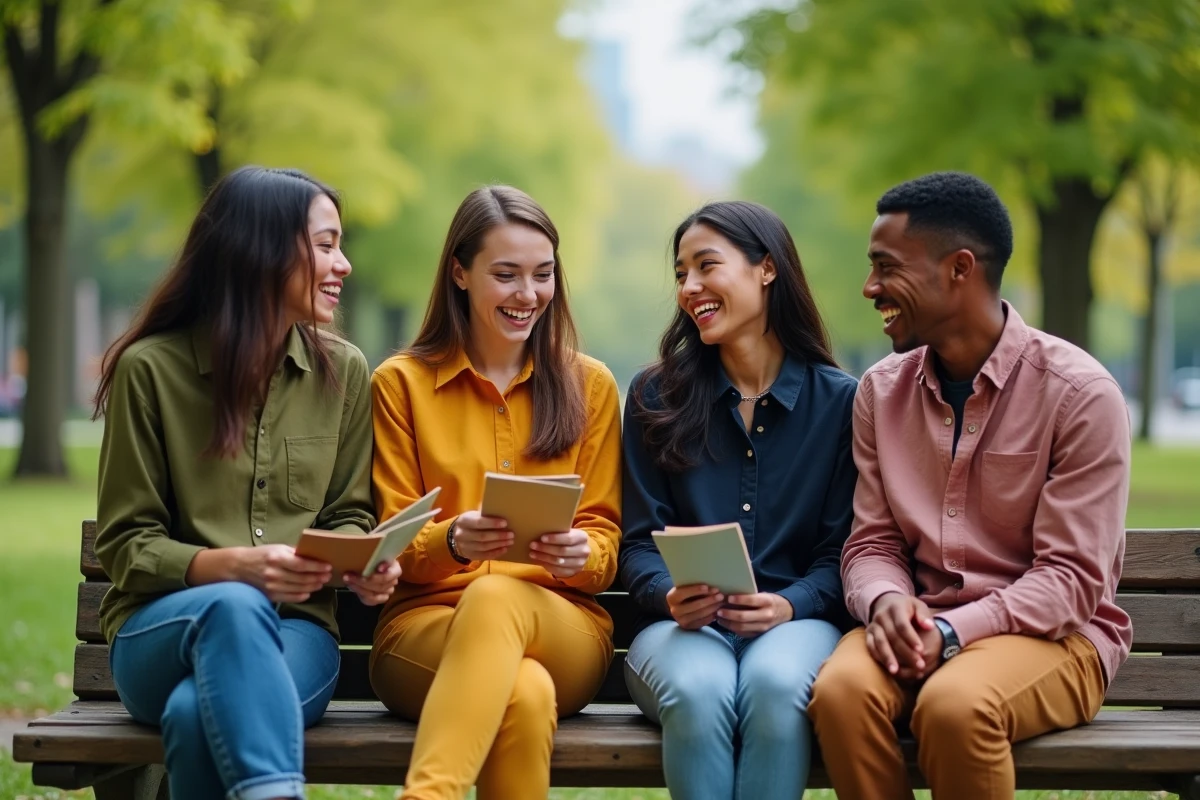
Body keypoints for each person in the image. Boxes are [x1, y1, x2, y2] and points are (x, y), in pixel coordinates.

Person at [808, 171, 1132, 799]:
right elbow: (872, 541)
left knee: (956, 705)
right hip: (920, 623)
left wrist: (954, 632)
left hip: (1055, 639)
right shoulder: (880, 390)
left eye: (885, 266)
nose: (870, 287)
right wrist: (886, 603)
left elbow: (1071, 580)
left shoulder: (1080, 394)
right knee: (841, 692)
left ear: (959, 268)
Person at [92, 166, 400, 800]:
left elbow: (348, 513)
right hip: (160, 630)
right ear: (259, 249)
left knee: (190, 713)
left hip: (297, 635)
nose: (342, 264)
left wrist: (359, 563)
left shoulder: (342, 372)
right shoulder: (149, 371)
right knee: (233, 605)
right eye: (325, 243)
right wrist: (234, 568)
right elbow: (126, 545)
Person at [368, 185, 622, 800]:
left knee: (497, 596)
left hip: (563, 626)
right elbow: (390, 547)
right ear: (460, 272)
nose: (527, 295)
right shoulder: (400, 384)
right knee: (525, 693)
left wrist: (580, 554)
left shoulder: (590, 387)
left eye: (542, 275)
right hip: (424, 629)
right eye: (505, 275)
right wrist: (453, 540)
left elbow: (605, 536)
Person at [619, 201, 858, 800]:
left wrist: (788, 604)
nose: (689, 288)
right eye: (680, 274)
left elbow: (843, 553)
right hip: (681, 630)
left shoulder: (843, 404)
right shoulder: (656, 395)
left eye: (706, 266)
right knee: (702, 691)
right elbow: (638, 542)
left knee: (777, 685)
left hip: (799, 626)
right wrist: (668, 596)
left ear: (767, 269)